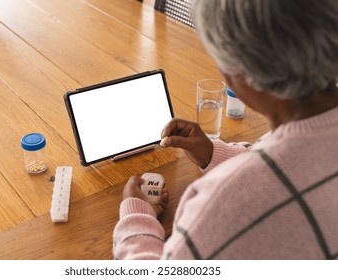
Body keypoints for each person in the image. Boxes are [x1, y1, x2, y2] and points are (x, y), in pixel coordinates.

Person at [113, 0, 338, 259]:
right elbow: (302, 164)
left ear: (239, 73)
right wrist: (213, 154)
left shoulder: (221, 204)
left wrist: (136, 215)